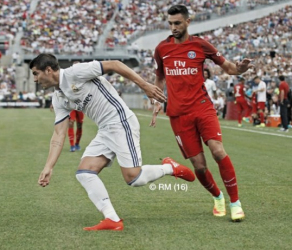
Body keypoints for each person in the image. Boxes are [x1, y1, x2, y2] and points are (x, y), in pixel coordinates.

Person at [30, 54, 195, 231]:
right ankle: (113, 219)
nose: (35, 79)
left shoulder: (76, 72)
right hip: (105, 130)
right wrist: (49, 166)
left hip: (121, 121)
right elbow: (58, 135)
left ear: (48, 70)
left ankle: (169, 167)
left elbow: (114, 64)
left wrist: (145, 86)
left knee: (134, 178)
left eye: (36, 73)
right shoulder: (58, 97)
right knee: (84, 172)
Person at [152, 5, 254, 222]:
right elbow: (159, 77)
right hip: (178, 115)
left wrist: (240, 69)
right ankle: (217, 197)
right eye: (170, 23)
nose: (173, 27)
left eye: (177, 23)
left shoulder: (200, 45)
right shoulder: (162, 49)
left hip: (202, 107)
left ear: (188, 22)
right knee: (199, 165)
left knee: (217, 151)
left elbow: (228, 67)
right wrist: (156, 98)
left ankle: (235, 203)